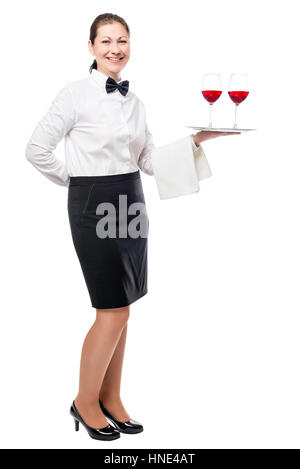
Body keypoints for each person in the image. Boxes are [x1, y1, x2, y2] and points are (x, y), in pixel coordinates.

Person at [25, 12, 240, 441]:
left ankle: (112, 397)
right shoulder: (73, 95)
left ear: (129, 45)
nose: (115, 49)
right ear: (91, 47)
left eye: (122, 40)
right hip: (94, 203)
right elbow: (36, 150)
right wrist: (77, 181)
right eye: (105, 41)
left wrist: (196, 140)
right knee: (112, 307)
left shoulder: (136, 103)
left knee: (125, 304)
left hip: (131, 201)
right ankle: (84, 402)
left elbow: (147, 161)